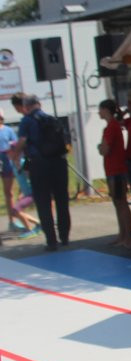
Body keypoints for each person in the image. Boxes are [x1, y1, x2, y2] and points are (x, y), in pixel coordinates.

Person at [11, 93, 70, 251]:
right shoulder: (51, 119)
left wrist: (15, 155)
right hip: (58, 163)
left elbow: (22, 141)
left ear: (27, 106)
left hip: (39, 165)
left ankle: (51, 240)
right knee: (61, 200)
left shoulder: (27, 121)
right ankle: (64, 236)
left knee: (43, 203)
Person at [97, 99, 131, 247]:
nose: (99, 112)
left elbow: (104, 150)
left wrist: (100, 147)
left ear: (106, 110)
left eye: (100, 109)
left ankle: (127, 235)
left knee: (121, 202)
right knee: (117, 202)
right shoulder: (112, 126)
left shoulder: (111, 127)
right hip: (113, 169)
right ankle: (122, 234)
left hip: (117, 169)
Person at [0, 110, 18, 233]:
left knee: (9, 192)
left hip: (7, 163)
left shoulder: (8, 130)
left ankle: (12, 221)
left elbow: (15, 145)